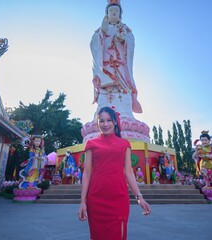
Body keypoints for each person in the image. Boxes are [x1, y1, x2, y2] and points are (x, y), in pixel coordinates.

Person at [78, 106, 151, 240]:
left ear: (115, 122)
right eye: (102, 121)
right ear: (97, 123)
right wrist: (83, 201)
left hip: (119, 198)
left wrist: (139, 197)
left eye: (109, 120)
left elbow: (129, 172)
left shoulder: (124, 144)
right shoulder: (91, 144)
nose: (105, 124)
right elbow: (87, 173)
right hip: (95, 199)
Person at [90, 0, 142, 116]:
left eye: (116, 11)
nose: (113, 13)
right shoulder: (101, 30)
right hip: (106, 66)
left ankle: (125, 113)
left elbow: (131, 42)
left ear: (120, 14)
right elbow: (93, 45)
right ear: (107, 14)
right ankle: (103, 114)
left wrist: (123, 40)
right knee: (105, 89)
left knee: (123, 87)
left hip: (120, 66)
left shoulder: (125, 29)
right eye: (111, 10)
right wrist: (102, 33)